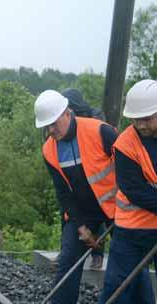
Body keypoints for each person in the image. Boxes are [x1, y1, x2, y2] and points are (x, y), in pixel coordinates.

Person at [86, 79, 157, 304]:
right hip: (132, 229)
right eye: (136, 119)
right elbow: (135, 189)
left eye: (147, 118)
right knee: (115, 287)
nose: (141, 124)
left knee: (132, 286)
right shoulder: (125, 144)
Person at [34, 90, 118, 304]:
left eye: (53, 124)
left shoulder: (100, 131)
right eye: (46, 127)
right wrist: (81, 227)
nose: (50, 131)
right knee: (68, 258)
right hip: (83, 211)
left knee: (128, 261)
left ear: (67, 113)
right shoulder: (49, 149)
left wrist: (127, 204)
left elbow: (130, 162)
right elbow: (64, 193)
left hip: (118, 206)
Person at [61, 88, 107, 268]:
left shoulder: (94, 117)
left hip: (96, 179)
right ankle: (66, 253)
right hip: (73, 176)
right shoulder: (61, 126)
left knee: (99, 216)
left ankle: (97, 254)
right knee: (66, 216)